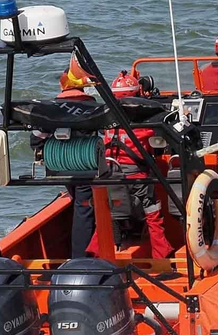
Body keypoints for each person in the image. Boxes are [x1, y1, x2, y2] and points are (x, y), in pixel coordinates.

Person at [92, 70, 172, 260]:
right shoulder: (145, 127)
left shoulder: (106, 125)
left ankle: (93, 254)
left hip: (110, 178)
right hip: (139, 181)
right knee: (153, 214)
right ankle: (162, 256)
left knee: (104, 217)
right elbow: (163, 141)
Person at [55, 56, 97, 255]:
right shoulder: (92, 106)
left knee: (80, 203)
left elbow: (36, 139)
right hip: (85, 170)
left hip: (58, 168)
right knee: (84, 209)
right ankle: (82, 258)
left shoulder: (52, 107)